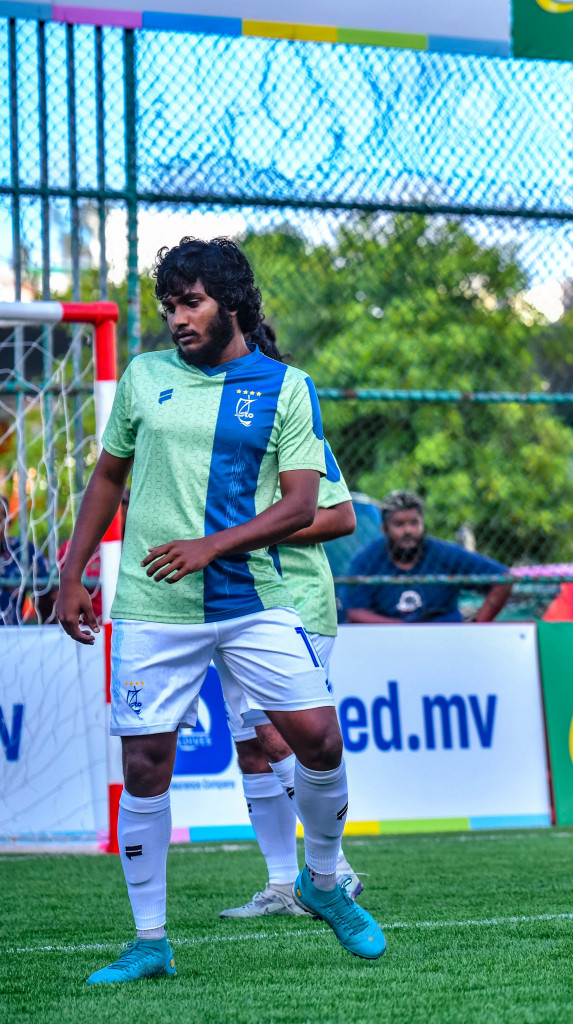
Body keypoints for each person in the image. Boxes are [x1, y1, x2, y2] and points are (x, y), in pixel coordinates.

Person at [54, 237, 384, 984]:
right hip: (151, 603)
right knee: (145, 764)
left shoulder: (286, 386)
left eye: (191, 302)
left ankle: (323, 883)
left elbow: (306, 504)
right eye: (169, 305)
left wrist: (212, 545)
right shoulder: (143, 377)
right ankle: (149, 941)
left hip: (253, 599)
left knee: (318, 740)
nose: (177, 318)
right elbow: (108, 477)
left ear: (231, 302)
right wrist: (73, 572)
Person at [218, 322, 363, 918]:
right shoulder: (213, 437)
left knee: (278, 731)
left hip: (296, 599)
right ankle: (283, 885)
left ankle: (336, 874)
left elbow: (341, 516)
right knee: (252, 745)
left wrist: (248, 533)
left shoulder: (293, 421)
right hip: (231, 600)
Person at [343, 489, 511, 623]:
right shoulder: (366, 560)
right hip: (389, 642)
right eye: (399, 524)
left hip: (445, 639)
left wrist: (478, 624)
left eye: (414, 523)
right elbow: (355, 611)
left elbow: (503, 579)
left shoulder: (445, 553)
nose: (408, 530)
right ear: (385, 529)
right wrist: (402, 630)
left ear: (422, 525)